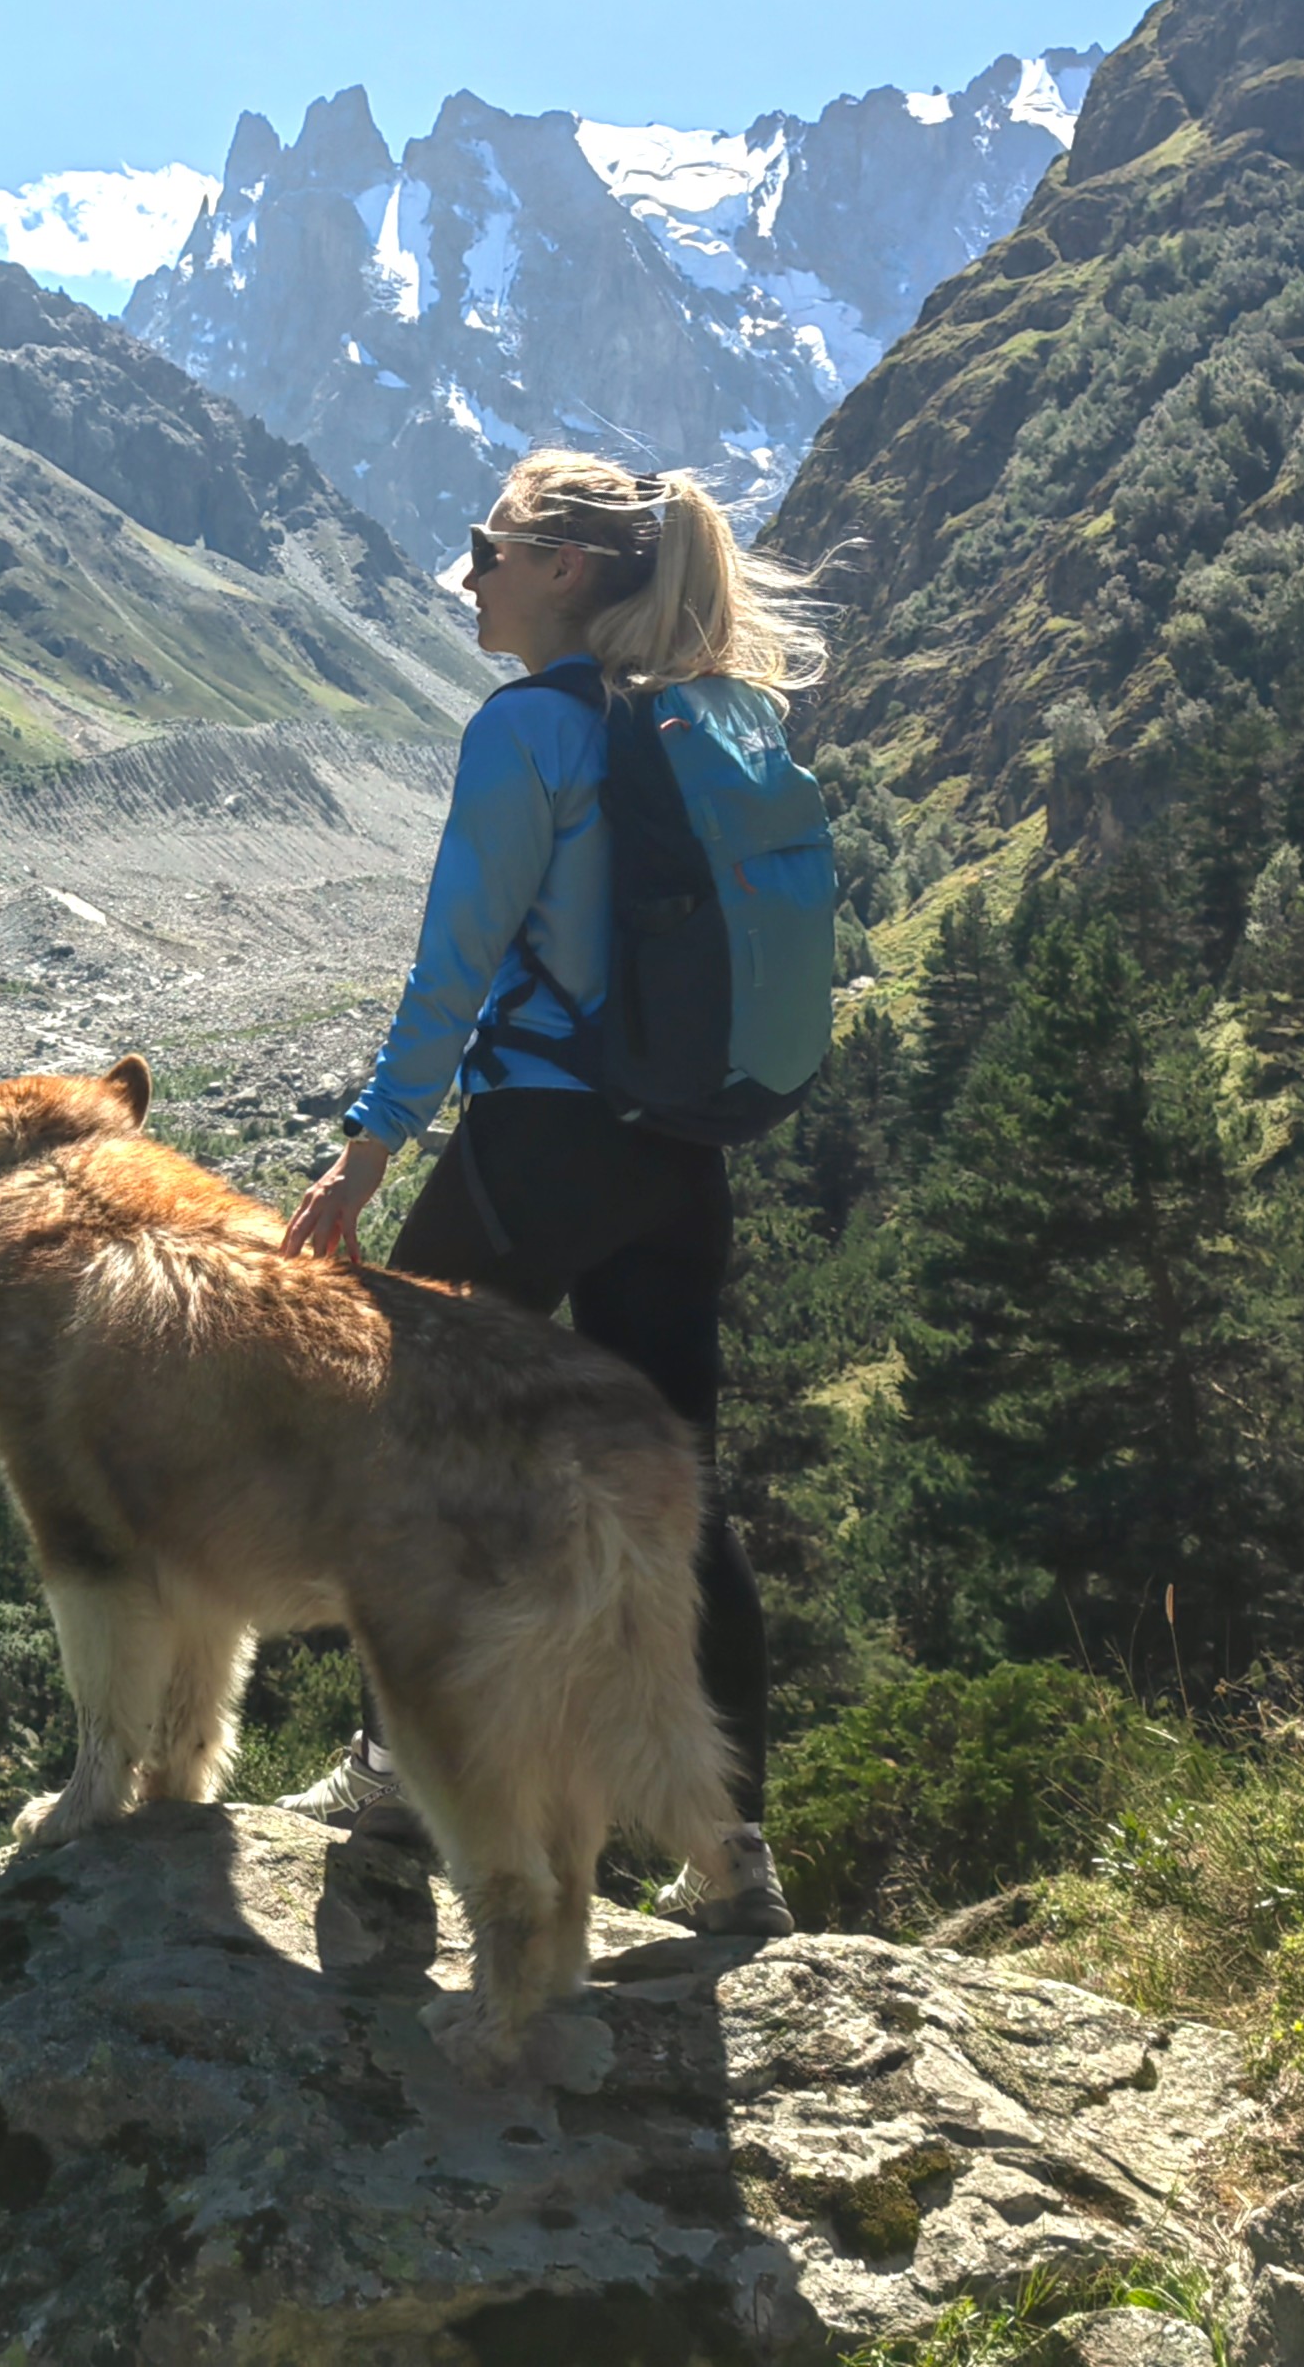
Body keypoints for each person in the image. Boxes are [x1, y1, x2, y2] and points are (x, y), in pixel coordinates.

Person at [269, 446, 826, 1938]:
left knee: (401, 1446)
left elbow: (459, 957)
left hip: (541, 1145)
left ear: (567, 569)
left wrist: (371, 1145)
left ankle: (401, 1781)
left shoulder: (529, 731)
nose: (470, 575)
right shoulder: (709, 717)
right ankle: (735, 1862)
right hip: (677, 1158)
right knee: (671, 1495)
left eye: (489, 547)